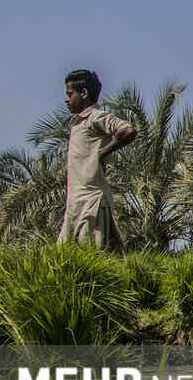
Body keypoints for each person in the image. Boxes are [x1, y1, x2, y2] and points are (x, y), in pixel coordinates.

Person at [58, 69, 136, 252]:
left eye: (70, 94)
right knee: (66, 254)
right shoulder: (80, 122)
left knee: (90, 252)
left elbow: (127, 130)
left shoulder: (95, 116)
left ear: (84, 93)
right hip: (76, 199)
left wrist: (102, 153)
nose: (66, 100)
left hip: (91, 198)